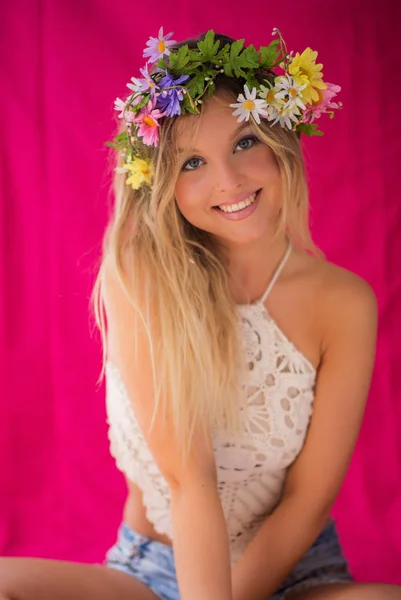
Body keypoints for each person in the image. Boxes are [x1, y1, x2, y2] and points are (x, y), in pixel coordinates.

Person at [0, 27, 400, 600]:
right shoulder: (141, 277)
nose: (229, 181)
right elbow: (190, 483)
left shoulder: (345, 303)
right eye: (191, 162)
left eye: (244, 142)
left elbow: (308, 502)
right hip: (150, 572)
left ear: (280, 137)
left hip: (290, 579)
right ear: (161, 183)